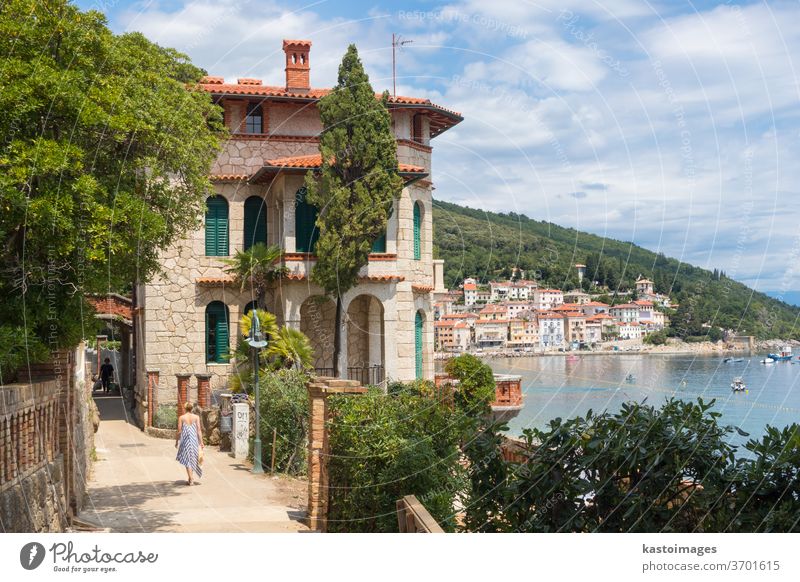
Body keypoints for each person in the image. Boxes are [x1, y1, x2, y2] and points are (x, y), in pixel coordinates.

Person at [175, 401, 204, 485]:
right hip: (194, 441)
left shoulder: (181, 417)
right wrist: (201, 442)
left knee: (187, 459)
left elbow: (179, 431)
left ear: (185, 408)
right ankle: (191, 478)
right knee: (193, 458)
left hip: (185, 441)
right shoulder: (196, 417)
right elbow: (199, 430)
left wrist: (177, 441)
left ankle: (191, 478)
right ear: (192, 408)